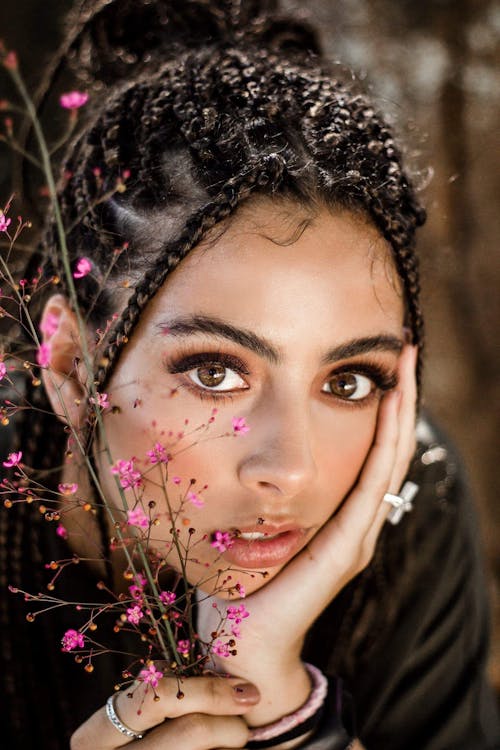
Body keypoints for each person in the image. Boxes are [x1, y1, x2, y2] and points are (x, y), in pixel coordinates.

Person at [1, 1, 499, 748]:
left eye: (350, 381)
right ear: (72, 368)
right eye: (214, 371)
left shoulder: (408, 500)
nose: (290, 471)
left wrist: (283, 704)